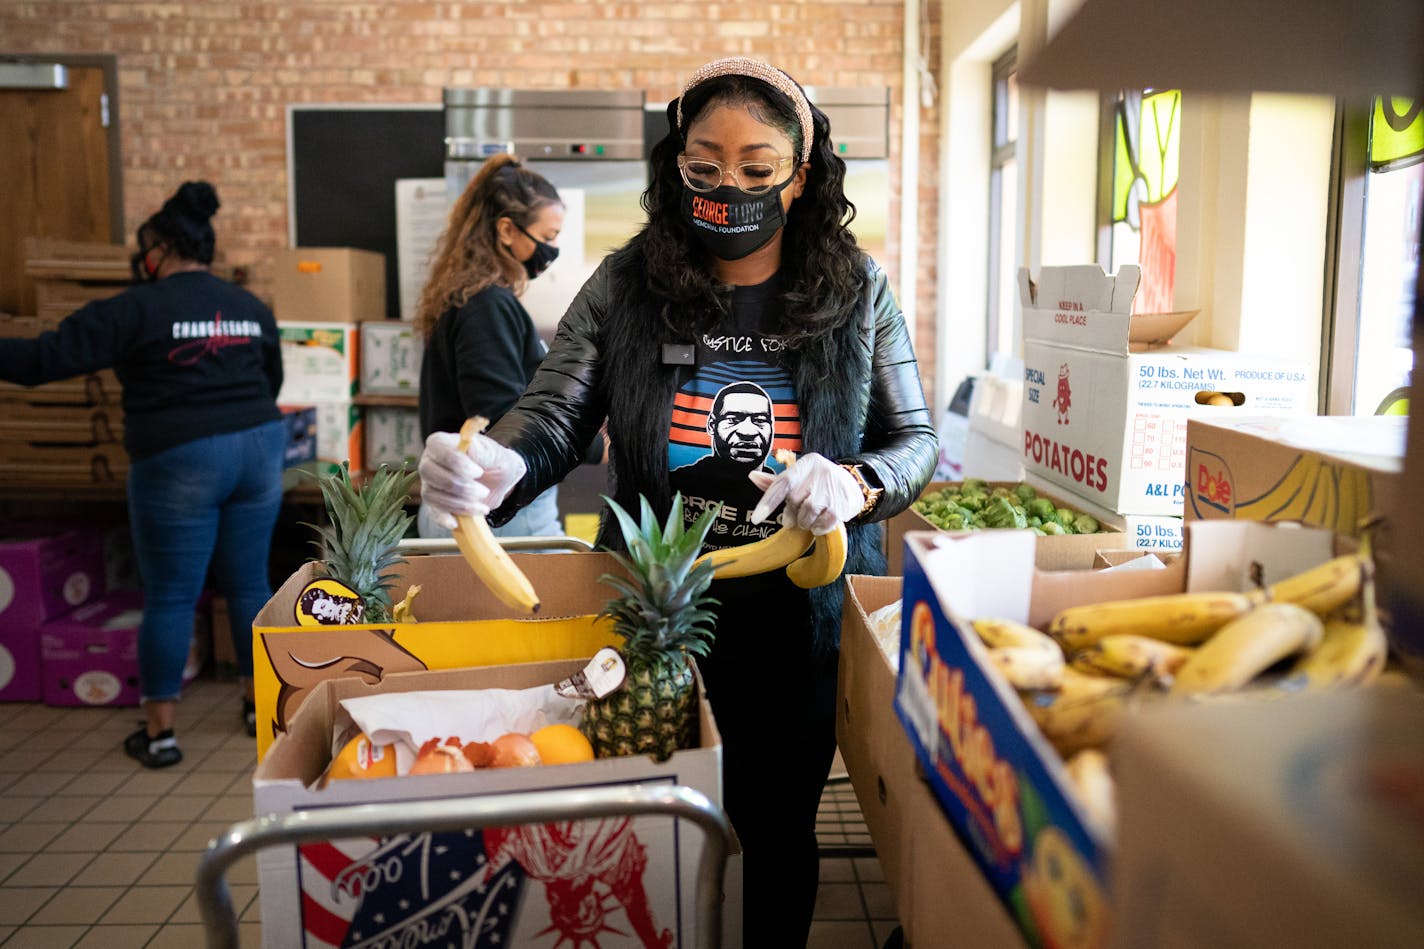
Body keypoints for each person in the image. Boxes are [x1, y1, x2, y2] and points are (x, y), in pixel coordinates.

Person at [418, 58, 937, 946]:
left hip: (799, 620)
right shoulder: (627, 285)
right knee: (655, 832)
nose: (727, 189)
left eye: (754, 168)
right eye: (704, 170)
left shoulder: (857, 289)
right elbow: (555, 410)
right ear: (676, 168)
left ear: (801, 175)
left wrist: (855, 481)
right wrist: (498, 466)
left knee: (779, 834)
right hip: (658, 628)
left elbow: (916, 443)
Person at [0, 181, 285, 768]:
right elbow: (273, 380)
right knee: (250, 585)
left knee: (173, 594)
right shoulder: (251, 307)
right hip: (259, 449)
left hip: (181, 458)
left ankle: (160, 735)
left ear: (156, 249)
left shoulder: (134, 309)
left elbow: (38, 363)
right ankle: (264, 710)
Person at [414, 153, 605, 540]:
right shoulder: (485, 305)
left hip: (481, 503)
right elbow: (499, 416)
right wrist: (593, 445)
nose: (551, 250)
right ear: (506, 231)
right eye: (547, 237)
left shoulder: (475, 298)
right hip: (496, 508)